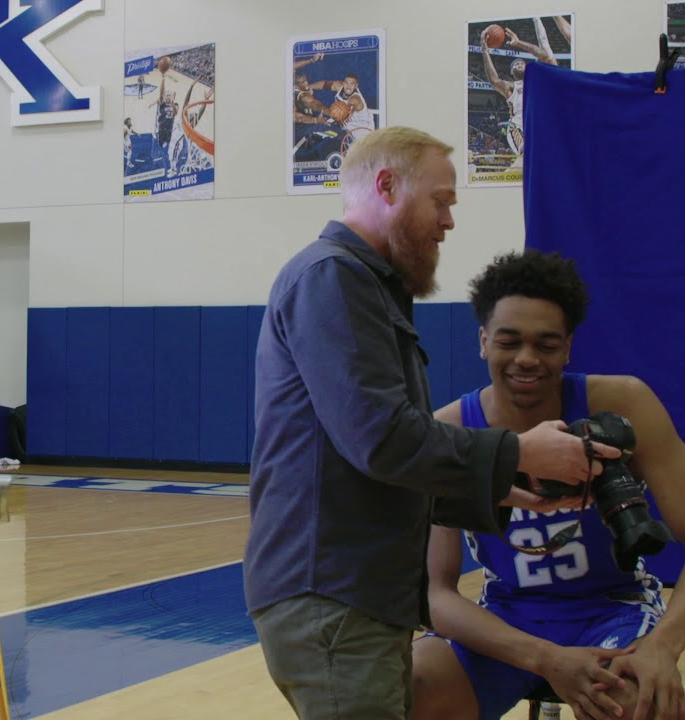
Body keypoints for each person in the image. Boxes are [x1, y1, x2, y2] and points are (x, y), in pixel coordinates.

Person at [244, 126, 621, 720]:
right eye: (441, 201)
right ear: (387, 186)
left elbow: (375, 465)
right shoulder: (332, 276)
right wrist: (517, 453)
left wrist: (495, 483)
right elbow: (382, 440)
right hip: (334, 592)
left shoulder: (364, 286)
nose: (448, 222)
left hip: (359, 594)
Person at [411, 250, 685, 720]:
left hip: (612, 611)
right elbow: (435, 593)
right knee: (410, 686)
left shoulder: (625, 404)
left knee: (642, 702)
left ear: (568, 348)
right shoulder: (451, 432)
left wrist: (661, 648)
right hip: (508, 617)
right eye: (509, 341)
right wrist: (544, 658)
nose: (526, 358)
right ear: (483, 341)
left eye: (546, 345)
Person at [481, 18, 558, 162]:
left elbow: (543, 55)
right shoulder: (511, 87)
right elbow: (494, 80)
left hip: (538, 126)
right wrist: (485, 51)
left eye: (521, 62)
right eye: (515, 64)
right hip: (518, 128)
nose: (518, 63)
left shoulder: (536, 81)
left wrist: (519, 42)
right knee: (528, 154)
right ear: (511, 73)